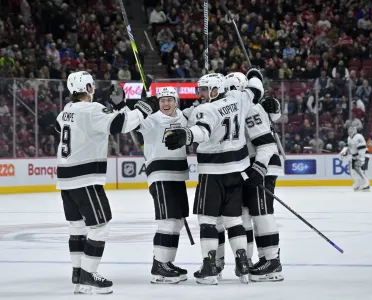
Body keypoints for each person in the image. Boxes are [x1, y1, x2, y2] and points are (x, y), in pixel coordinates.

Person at [55, 71, 159, 294]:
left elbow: (66, 127)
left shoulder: (66, 111)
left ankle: (78, 273)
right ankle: (88, 274)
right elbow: (122, 124)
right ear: (89, 88)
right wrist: (144, 106)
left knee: (77, 227)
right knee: (100, 227)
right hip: (85, 179)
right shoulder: (92, 110)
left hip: (65, 180)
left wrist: (123, 104)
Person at [164, 69, 267, 285]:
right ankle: (243, 264)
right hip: (237, 172)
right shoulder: (238, 98)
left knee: (207, 221)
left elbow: (203, 131)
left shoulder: (206, 109)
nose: (199, 93)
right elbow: (256, 89)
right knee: (234, 220)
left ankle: (210, 268)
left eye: (203, 89)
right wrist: (255, 73)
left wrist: (187, 135)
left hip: (213, 173)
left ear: (214, 90)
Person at [223, 72, 284, 282]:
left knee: (262, 212)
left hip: (262, 165)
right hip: (254, 165)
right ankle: (264, 260)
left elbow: (266, 144)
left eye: (231, 89)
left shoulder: (250, 109)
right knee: (250, 213)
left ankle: (272, 261)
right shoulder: (244, 107)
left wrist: (259, 168)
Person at [136, 86, 189, 284]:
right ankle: (159, 266)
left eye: (169, 99)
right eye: (162, 100)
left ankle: (167, 263)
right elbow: (133, 124)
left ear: (176, 101)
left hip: (178, 175)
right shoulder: (151, 120)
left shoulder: (184, 118)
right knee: (167, 221)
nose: (166, 104)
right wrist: (139, 105)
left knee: (177, 222)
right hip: (160, 175)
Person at [338, 126, 370, 192]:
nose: (350, 132)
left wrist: (358, 156)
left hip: (362, 156)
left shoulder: (359, 137)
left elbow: (362, 149)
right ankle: (358, 184)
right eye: (349, 131)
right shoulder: (349, 138)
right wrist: (343, 153)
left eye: (351, 131)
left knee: (360, 171)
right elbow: (349, 147)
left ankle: (366, 184)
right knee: (353, 172)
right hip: (355, 156)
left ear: (355, 131)